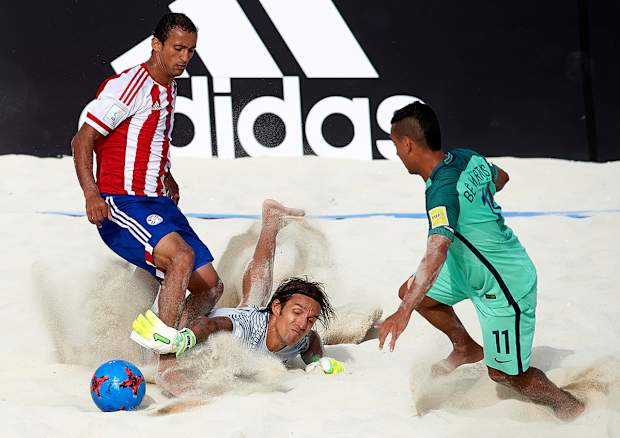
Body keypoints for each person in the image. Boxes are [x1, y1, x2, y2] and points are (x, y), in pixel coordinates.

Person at [378, 101, 584, 420]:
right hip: (467, 267)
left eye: (395, 144)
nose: (396, 152)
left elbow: (437, 251)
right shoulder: (467, 157)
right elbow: (502, 178)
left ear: (407, 144)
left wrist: (402, 314)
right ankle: (465, 348)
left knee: (504, 375)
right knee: (413, 293)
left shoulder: (441, 191)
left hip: (504, 282)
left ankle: (570, 406)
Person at [70, 13, 223, 394]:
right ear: (156, 45)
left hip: (157, 201)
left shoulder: (169, 86)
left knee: (210, 287)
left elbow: (150, 138)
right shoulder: (129, 85)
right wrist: (91, 194)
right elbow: (82, 140)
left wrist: (166, 174)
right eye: (178, 49)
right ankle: (166, 363)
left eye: (191, 51)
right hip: (121, 203)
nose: (185, 58)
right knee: (181, 258)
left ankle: (161, 340)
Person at [131, 199, 342, 379]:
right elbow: (209, 324)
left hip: (249, 319)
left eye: (310, 319)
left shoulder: (298, 337)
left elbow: (311, 340)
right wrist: (184, 339)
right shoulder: (247, 329)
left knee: (252, 302)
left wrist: (318, 361)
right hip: (188, 329)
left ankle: (272, 222)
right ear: (277, 308)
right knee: (247, 306)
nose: (303, 324)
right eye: (297, 313)